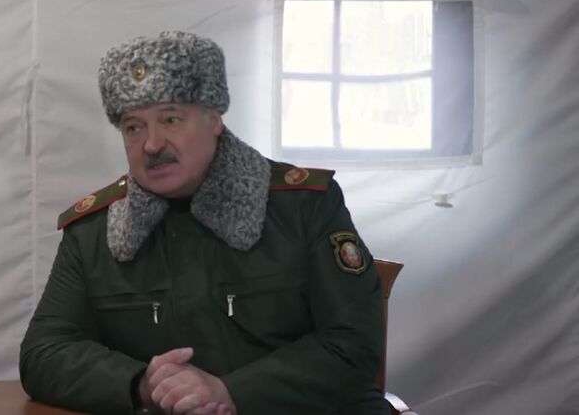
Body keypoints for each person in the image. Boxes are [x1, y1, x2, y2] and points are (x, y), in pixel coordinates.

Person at [20, 31, 389, 415]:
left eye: (171, 119)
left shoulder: (303, 207)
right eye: (133, 127)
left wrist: (232, 392)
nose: (151, 144)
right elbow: (43, 352)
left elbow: (354, 344)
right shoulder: (94, 232)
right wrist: (142, 384)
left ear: (214, 119)